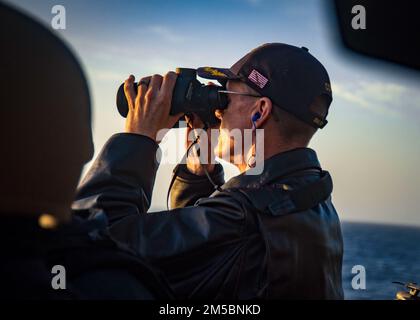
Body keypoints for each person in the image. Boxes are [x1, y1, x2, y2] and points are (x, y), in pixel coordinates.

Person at [73, 43, 344, 299]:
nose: (218, 112)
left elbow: (92, 246)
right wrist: (199, 161)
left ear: (259, 111)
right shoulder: (312, 199)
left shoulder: (242, 217)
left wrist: (138, 138)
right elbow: (207, 258)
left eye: (225, 97)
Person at [0, 3, 171, 299]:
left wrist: (139, 139)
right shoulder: (103, 284)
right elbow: (110, 240)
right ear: (78, 148)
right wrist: (143, 141)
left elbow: (114, 231)